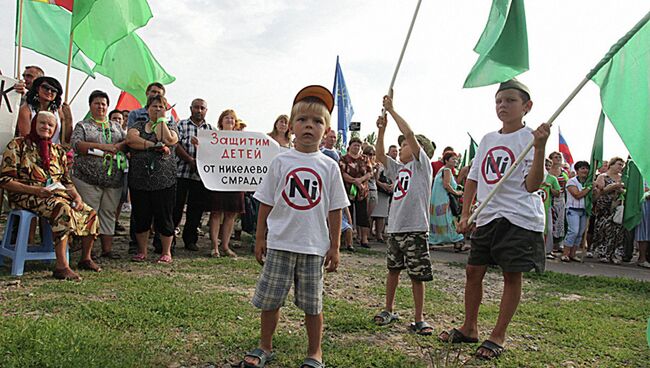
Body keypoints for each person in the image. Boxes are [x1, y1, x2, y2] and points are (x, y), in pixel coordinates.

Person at [439, 79, 550, 361]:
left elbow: (532, 185)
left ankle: (498, 334)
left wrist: (539, 148)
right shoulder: (488, 138)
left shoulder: (530, 138)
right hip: (487, 216)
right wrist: (465, 213)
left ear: (527, 106)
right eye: (499, 100)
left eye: (510, 101)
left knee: (511, 275)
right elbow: (474, 178)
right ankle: (469, 327)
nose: (503, 105)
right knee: (473, 271)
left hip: (519, 217)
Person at [241, 85, 348, 368]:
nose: (309, 126)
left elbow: (336, 209)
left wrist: (335, 247)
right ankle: (265, 345)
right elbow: (265, 202)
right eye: (302, 120)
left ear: (325, 130)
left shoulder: (330, 166)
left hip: (313, 247)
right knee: (270, 300)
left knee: (313, 305)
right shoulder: (280, 161)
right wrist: (260, 238)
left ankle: (315, 352)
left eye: (317, 121)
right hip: (280, 243)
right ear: (291, 126)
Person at [0, 112, 100, 281]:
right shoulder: (18, 145)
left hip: (54, 195)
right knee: (62, 209)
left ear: (55, 129)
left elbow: (66, 181)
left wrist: (77, 197)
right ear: (34, 124)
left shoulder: (58, 151)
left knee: (89, 211)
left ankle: (85, 258)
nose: (46, 127)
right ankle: (62, 266)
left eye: (50, 125)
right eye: (42, 123)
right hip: (25, 195)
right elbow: (5, 180)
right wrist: (36, 191)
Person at [373, 94, 436, 336]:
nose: (401, 147)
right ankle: (388, 309)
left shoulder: (422, 166)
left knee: (416, 275)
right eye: (399, 146)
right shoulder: (399, 169)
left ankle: (419, 318)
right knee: (393, 270)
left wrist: (393, 111)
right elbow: (379, 155)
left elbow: (409, 134)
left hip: (415, 228)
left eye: (404, 145)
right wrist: (381, 130)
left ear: (419, 149)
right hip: (396, 227)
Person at [70, 90, 128, 259]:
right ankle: (87, 252)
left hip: (113, 180)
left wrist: (119, 147)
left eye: (103, 104)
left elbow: (126, 143)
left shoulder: (116, 127)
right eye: (97, 103)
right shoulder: (83, 125)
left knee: (108, 213)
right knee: (90, 213)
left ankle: (107, 250)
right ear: (90, 105)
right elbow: (76, 144)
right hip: (87, 178)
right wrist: (105, 147)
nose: (100, 106)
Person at [126, 95, 179, 264]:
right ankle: (142, 251)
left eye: (161, 106)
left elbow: (167, 139)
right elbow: (131, 140)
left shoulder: (171, 126)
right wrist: (153, 145)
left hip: (164, 181)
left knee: (164, 216)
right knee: (141, 216)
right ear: (147, 108)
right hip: (139, 180)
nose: (157, 109)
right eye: (154, 106)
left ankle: (166, 252)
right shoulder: (138, 125)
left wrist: (161, 120)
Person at [173, 98, 212, 252]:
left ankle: (190, 240)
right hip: (181, 172)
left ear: (206, 111)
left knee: (195, 210)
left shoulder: (211, 130)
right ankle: (170, 239)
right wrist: (189, 160)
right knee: (176, 208)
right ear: (191, 109)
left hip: (200, 176)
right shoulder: (181, 125)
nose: (199, 110)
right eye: (196, 107)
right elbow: (175, 144)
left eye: (202, 108)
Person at [206, 109, 243, 258]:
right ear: (221, 121)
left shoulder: (242, 139)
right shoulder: (213, 137)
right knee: (215, 212)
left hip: (235, 180)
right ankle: (214, 246)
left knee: (231, 214)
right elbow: (207, 155)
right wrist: (200, 145)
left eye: (232, 118)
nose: (230, 120)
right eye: (226, 118)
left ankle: (226, 246)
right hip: (217, 180)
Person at [17, 76, 72, 144]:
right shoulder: (26, 109)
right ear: (37, 88)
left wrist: (68, 118)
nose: (49, 91)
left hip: (53, 152)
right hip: (31, 151)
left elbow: (67, 139)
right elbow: (26, 136)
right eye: (45, 88)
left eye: (53, 90)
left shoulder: (59, 111)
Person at [339, 137, 372, 248]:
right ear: (350, 146)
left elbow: (369, 173)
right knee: (348, 214)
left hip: (362, 192)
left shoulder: (365, 159)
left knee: (363, 215)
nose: (357, 147)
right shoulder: (344, 159)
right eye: (355, 145)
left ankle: (364, 239)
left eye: (358, 145)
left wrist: (360, 181)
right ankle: (349, 240)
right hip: (348, 191)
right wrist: (354, 181)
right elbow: (342, 174)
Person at [592, 157, 626, 264]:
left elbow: (626, 192)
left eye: (622, 165)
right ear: (611, 165)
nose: (620, 167)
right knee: (604, 230)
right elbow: (599, 192)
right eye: (619, 164)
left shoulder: (623, 178)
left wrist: (621, 190)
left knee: (617, 231)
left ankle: (614, 254)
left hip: (617, 207)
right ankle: (603, 253)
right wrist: (613, 187)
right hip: (604, 208)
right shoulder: (603, 176)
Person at [428, 151, 464, 247]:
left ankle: (435, 240)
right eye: (453, 159)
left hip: (437, 201)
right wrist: (457, 193)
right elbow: (446, 185)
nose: (455, 161)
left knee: (440, 222)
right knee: (449, 221)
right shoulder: (447, 170)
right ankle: (457, 241)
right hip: (444, 201)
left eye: (456, 159)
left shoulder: (442, 170)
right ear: (446, 160)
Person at [562, 161, 591, 262]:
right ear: (577, 170)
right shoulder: (571, 182)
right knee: (573, 231)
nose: (585, 170)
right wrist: (588, 189)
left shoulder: (588, 182)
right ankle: (565, 253)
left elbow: (593, 198)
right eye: (582, 168)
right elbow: (577, 195)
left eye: (586, 168)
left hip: (584, 210)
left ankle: (573, 254)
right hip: (573, 210)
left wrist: (594, 190)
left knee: (580, 233)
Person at [549, 151, 569, 253]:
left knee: (560, 221)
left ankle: (558, 244)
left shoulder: (563, 172)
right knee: (551, 221)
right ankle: (550, 244)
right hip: (550, 198)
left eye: (559, 157)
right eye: (555, 157)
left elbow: (567, 184)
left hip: (561, 199)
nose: (558, 159)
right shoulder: (547, 171)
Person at [372, 158, 391, 243]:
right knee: (372, 214)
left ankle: (379, 234)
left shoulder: (391, 167)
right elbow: (375, 178)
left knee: (382, 215)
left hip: (385, 193)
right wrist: (381, 184)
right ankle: (370, 232)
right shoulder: (377, 165)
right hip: (376, 190)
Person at [635, 182, 650, 268]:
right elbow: (641, 191)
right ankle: (642, 258)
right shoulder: (643, 176)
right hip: (645, 205)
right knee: (644, 232)